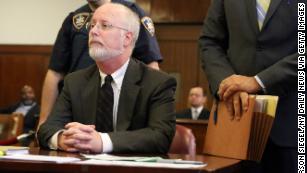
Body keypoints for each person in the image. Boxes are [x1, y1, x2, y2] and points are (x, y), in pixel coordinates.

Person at [37, 3, 176, 154]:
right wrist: (63, 139)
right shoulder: (75, 82)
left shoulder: (158, 83)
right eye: (92, 25)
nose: (93, 32)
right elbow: (46, 129)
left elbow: (161, 137)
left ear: (127, 38)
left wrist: (101, 141)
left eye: (104, 25)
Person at [199, 0, 297, 172]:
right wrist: (228, 84)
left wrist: (258, 81)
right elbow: (210, 42)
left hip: (291, 125)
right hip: (233, 120)